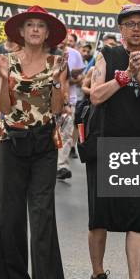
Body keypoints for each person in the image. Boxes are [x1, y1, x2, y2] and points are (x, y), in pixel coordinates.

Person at [0, 5, 68, 279]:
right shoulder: (6, 60)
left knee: (42, 212)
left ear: (47, 34)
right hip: (12, 142)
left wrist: (58, 80)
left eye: (40, 26)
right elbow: (5, 108)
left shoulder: (58, 62)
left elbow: (58, 108)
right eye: (30, 25)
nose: (34, 29)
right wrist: (2, 76)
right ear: (21, 31)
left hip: (44, 143)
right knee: (11, 212)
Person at [87, 4, 140, 279]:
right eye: (130, 23)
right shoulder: (107, 55)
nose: (136, 28)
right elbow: (95, 96)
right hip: (104, 144)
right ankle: (98, 277)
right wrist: (124, 77)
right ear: (121, 29)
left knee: (137, 219)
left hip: (137, 149)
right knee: (100, 217)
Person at [56, 36, 85, 180]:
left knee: (66, 135)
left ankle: (62, 166)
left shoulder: (75, 54)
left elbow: (80, 79)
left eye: (64, 37)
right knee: (52, 135)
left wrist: (75, 79)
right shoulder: (50, 53)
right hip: (50, 102)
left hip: (70, 101)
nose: (61, 40)